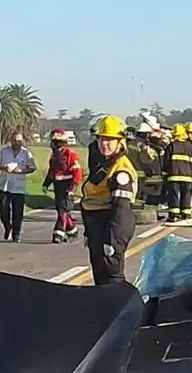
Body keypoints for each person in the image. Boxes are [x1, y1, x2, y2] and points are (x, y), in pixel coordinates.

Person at [80, 115, 138, 285]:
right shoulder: (107, 164)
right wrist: (89, 233)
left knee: (112, 276)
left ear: (120, 142)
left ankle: (120, 302)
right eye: (101, 139)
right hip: (98, 227)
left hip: (110, 228)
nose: (104, 143)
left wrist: (113, 242)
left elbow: (121, 210)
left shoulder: (121, 171)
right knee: (100, 275)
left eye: (109, 140)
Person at [0, 130, 37, 242]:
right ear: (11, 140)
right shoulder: (4, 151)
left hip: (19, 187)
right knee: (3, 209)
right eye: (14, 140)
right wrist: (4, 168)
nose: (16, 143)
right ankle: (8, 227)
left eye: (19, 141)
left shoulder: (26, 153)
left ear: (22, 141)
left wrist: (21, 171)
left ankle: (16, 234)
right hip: (5, 185)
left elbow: (32, 168)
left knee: (18, 212)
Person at [43, 128, 83, 243]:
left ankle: (59, 233)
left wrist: (72, 188)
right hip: (58, 185)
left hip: (68, 185)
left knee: (63, 210)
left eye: (54, 141)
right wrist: (46, 184)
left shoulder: (70, 154)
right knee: (61, 209)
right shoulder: (55, 155)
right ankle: (72, 230)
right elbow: (52, 171)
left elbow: (77, 172)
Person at [161, 123, 192, 222]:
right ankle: (185, 214)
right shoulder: (190, 147)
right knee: (186, 195)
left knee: (173, 195)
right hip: (187, 177)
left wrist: (164, 174)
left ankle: (173, 215)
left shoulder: (171, 146)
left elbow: (166, 162)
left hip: (173, 176)